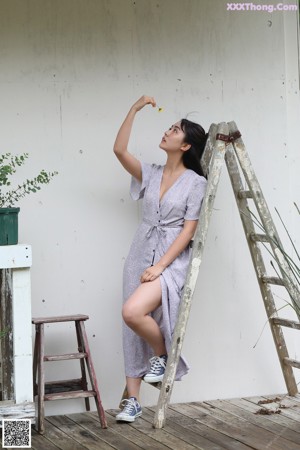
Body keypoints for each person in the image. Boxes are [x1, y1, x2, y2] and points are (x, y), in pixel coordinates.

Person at [113, 95, 207, 422]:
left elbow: (188, 230)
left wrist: (161, 266)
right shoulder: (150, 174)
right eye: (170, 127)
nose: (168, 131)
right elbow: (119, 151)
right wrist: (134, 108)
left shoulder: (196, 183)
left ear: (186, 146)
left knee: (132, 311)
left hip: (170, 261)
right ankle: (133, 401)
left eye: (175, 130)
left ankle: (163, 355)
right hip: (140, 252)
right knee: (132, 325)